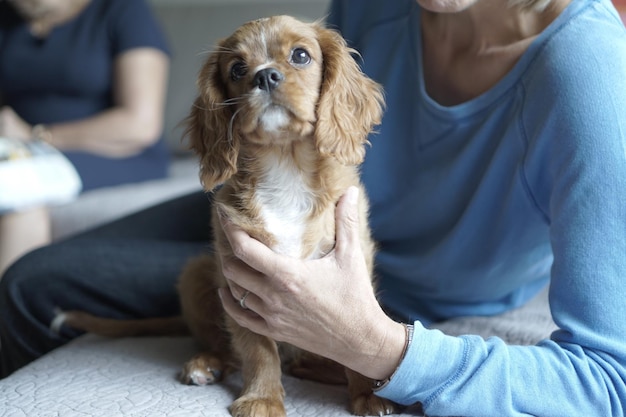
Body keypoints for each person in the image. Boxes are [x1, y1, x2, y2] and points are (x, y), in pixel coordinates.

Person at [1, 0, 626, 415]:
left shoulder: (589, 70)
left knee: (37, 291)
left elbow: (609, 380)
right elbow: (298, 107)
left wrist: (378, 348)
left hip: (405, 289)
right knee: (31, 282)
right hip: (268, 195)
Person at [0, 0, 170, 274]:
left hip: (117, 152)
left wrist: (36, 136)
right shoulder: (8, 18)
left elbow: (140, 125)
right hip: (24, 151)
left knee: (16, 185)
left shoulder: (123, 10)